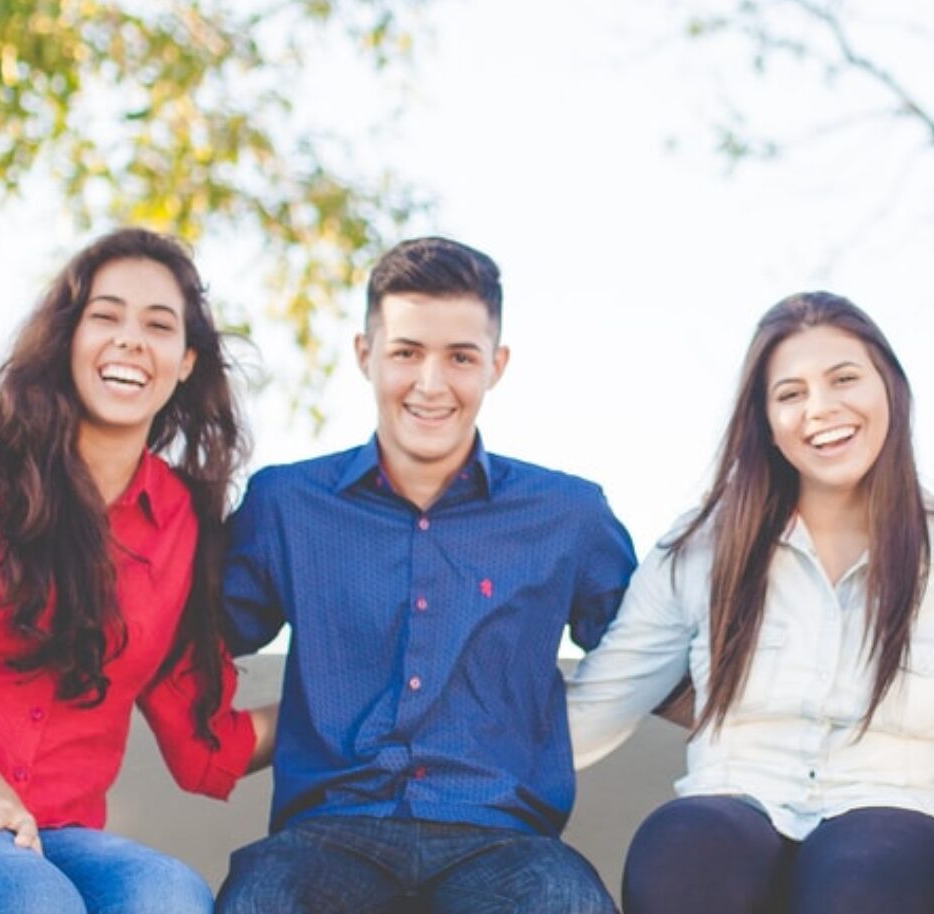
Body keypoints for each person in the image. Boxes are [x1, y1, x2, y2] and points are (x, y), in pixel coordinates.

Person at [563, 291, 934, 914]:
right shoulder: (701, 547)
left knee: (867, 876)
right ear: (766, 422)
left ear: (890, 386)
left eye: (843, 379)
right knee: (684, 854)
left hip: (901, 813)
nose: (820, 408)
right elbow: (597, 705)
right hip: (732, 798)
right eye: (790, 393)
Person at [0, 228, 274, 914]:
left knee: (169, 897)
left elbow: (207, 746)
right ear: (67, 338)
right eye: (105, 316)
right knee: (27, 897)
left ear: (184, 362)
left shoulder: (179, 522)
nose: (129, 339)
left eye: (157, 325)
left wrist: (354, 703)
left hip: (46, 830)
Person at [216, 236, 635, 914]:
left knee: (568, 902)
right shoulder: (286, 504)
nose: (431, 384)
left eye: (460, 357)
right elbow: (185, 640)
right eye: (406, 352)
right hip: (326, 835)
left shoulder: (569, 515)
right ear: (365, 355)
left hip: (505, 842)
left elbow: (650, 653)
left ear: (495, 366)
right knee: (261, 900)